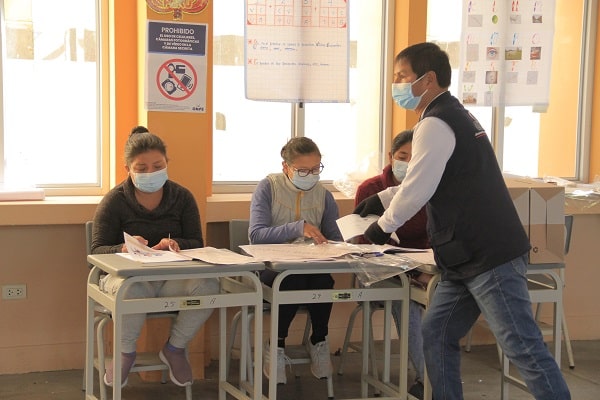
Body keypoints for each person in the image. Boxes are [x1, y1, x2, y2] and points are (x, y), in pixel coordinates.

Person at [354, 43, 571, 399]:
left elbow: (419, 188)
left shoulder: (436, 123)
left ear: (428, 79)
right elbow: (430, 177)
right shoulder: (451, 115)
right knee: (436, 334)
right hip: (463, 258)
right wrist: (379, 199)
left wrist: (381, 228)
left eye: (402, 76)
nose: (396, 84)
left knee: (523, 347)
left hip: (488, 256)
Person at [91, 126, 219, 388]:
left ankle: (174, 348)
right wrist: (123, 248)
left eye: (158, 166)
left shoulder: (182, 197)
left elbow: (197, 242)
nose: (150, 173)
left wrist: (175, 244)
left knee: (208, 286)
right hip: (125, 280)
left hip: (170, 278)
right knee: (132, 289)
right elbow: (96, 250)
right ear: (127, 169)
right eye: (141, 168)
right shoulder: (114, 201)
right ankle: (125, 352)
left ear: (167, 164)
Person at [249, 137, 342, 385]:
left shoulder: (324, 195)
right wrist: (297, 228)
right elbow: (256, 236)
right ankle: (277, 345)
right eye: (303, 171)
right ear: (286, 167)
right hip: (272, 269)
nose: (310, 176)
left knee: (324, 281)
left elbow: (335, 238)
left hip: (312, 266)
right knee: (291, 280)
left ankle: (319, 339)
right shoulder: (268, 187)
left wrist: (344, 240)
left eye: (316, 169)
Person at [354, 129, 431, 399]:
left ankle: (440, 373)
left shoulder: (429, 187)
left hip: (423, 266)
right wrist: (411, 271)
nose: (407, 163)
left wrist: (422, 268)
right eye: (402, 156)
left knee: (448, 295)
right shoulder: (370, 189)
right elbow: (366, 241)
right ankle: (428, 380)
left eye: (414, 157)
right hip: (379, 269)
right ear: (391, 156)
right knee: (407, 299)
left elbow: (434, 236)